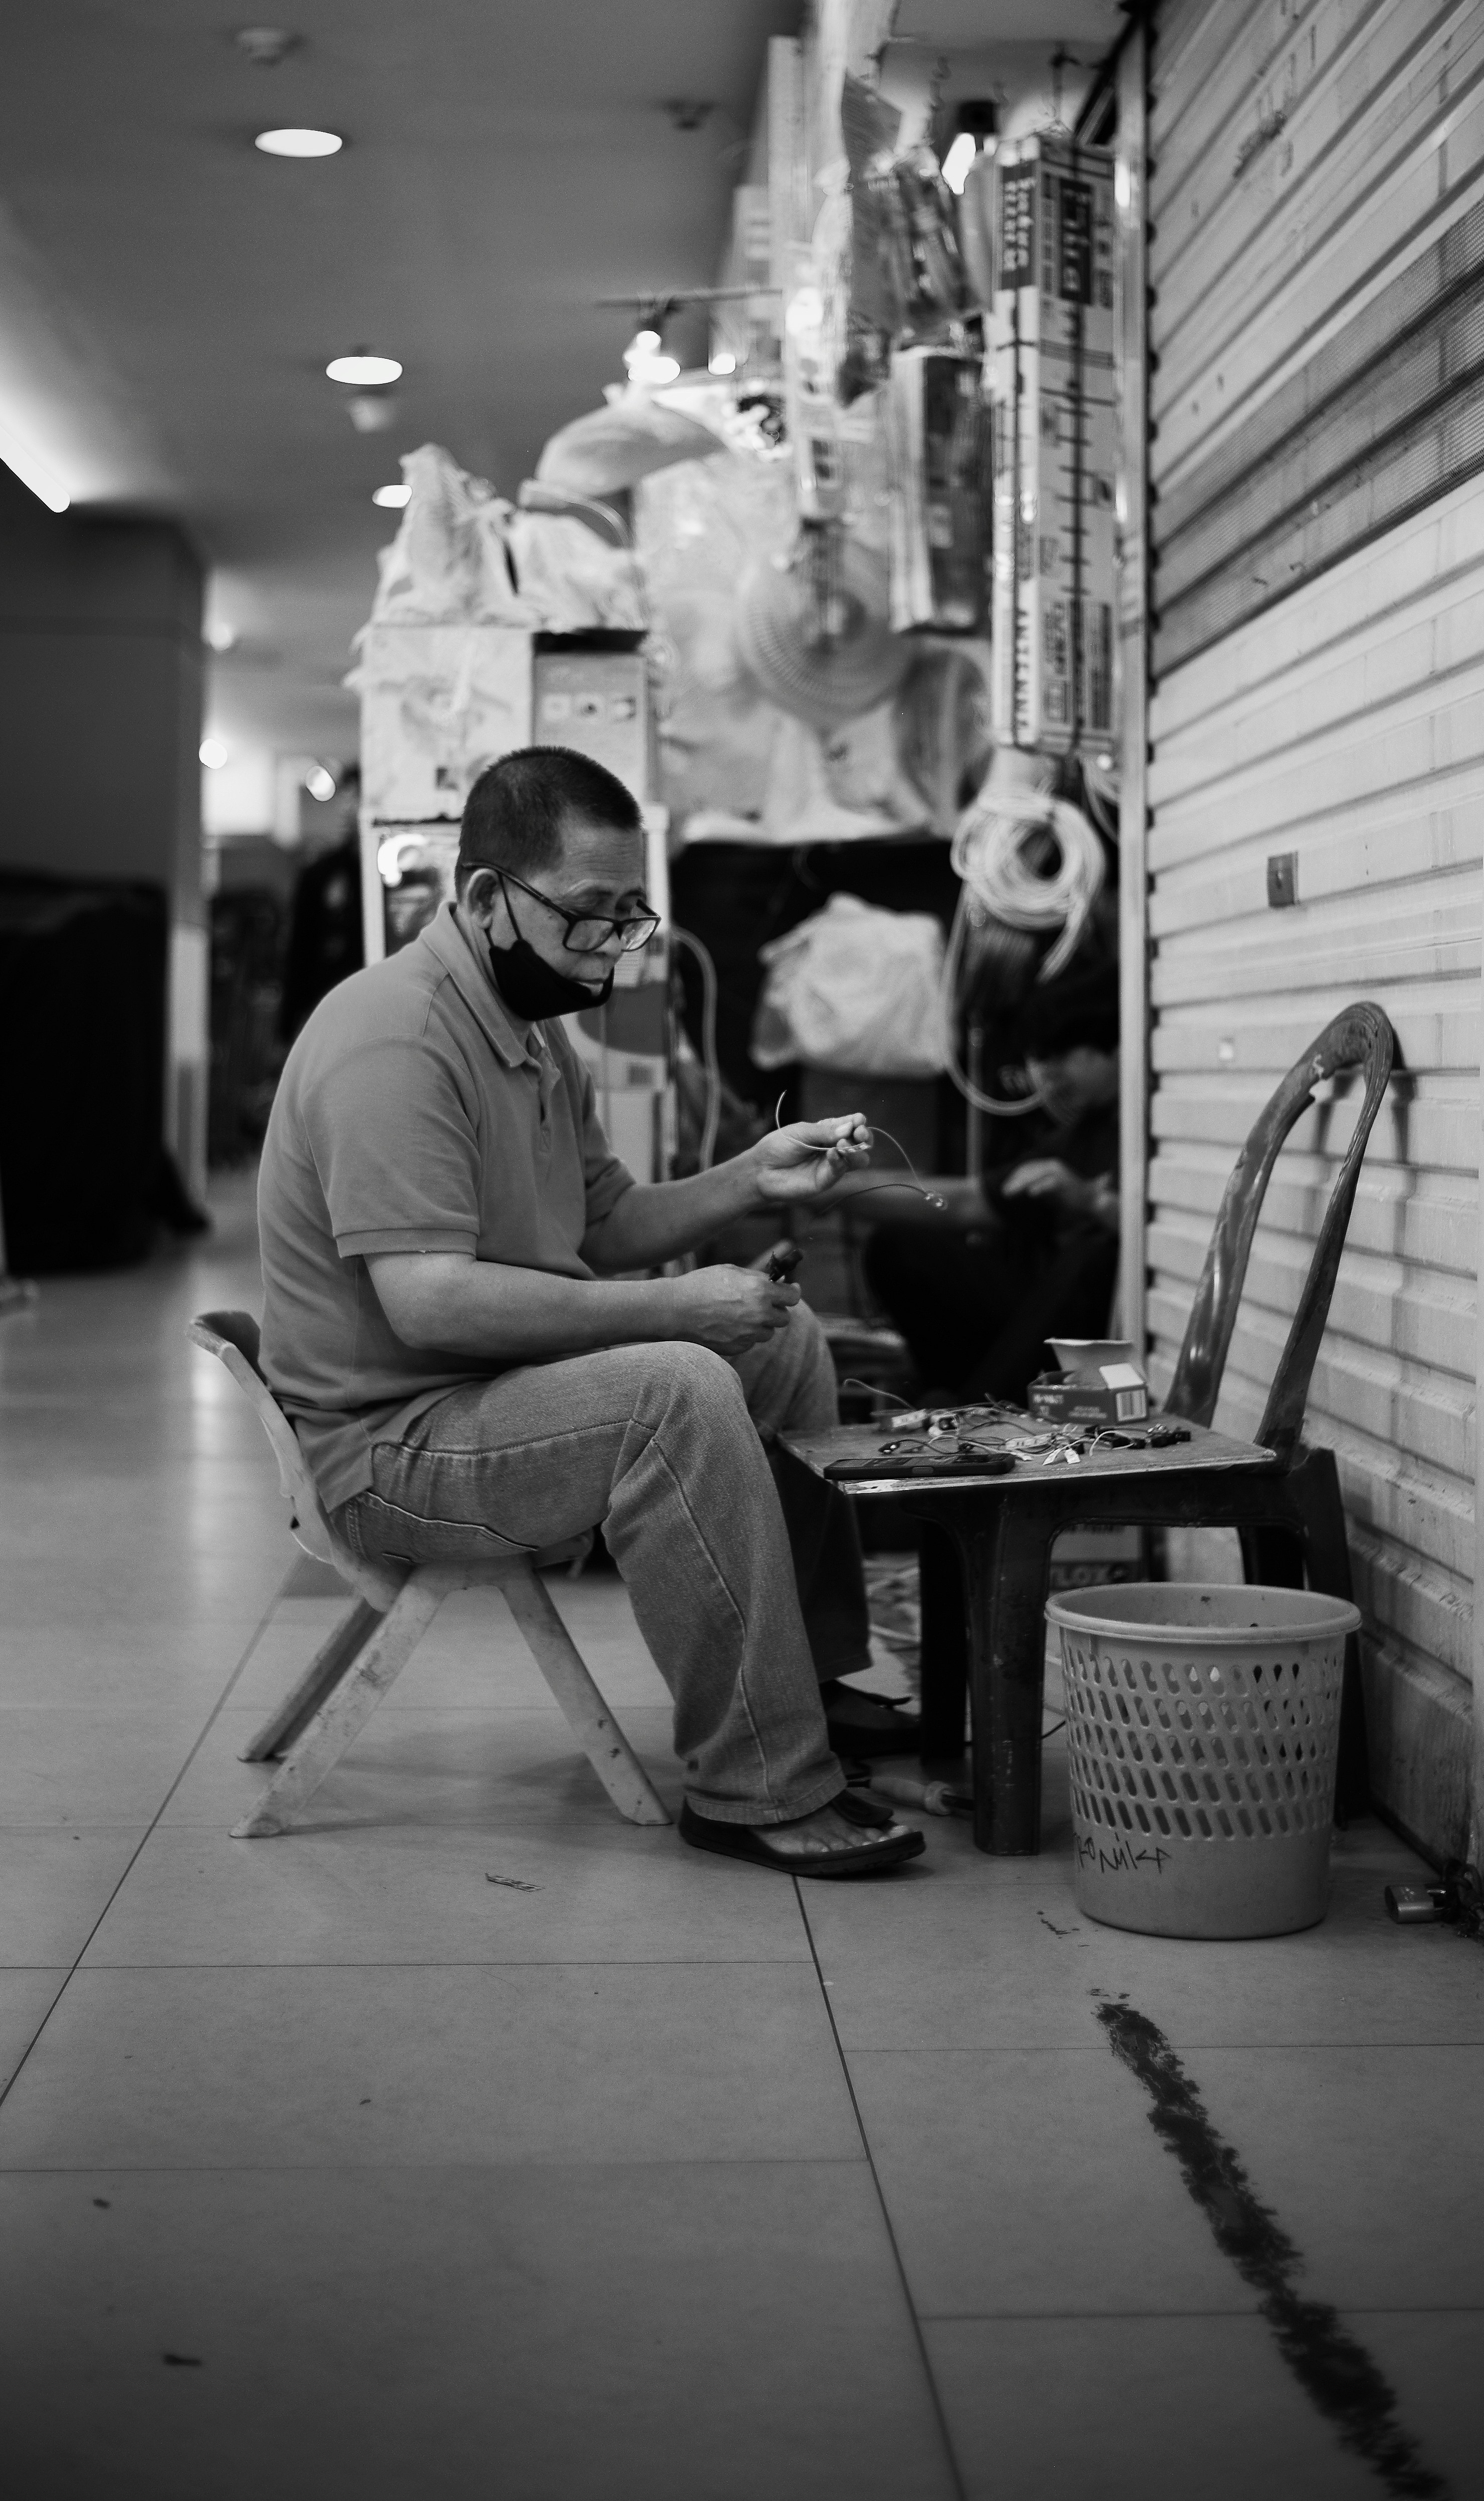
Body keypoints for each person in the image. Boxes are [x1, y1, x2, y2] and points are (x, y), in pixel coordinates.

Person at [258, 743, 924, 1879]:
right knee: (679, 1388)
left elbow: (602, 1221)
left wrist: (755, 1175)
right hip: (391, 1446)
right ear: (480, 898)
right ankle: (755, 1781)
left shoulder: (525, 1029)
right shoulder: (395, 1041)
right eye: (587, 916)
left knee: (783, 1340)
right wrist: (668, 1316)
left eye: (630, 915)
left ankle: (803, 1679)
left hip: (476, 1400)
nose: (612, 947)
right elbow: (426, 1302)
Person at [862, 965, 1121, 1406]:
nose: (1047, 1076)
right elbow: (967, 1202)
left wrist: (1094, 1202)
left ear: (1114, 1044)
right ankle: (953, 1392)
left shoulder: (1159, 1116)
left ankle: (974, 1409)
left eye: (1060, 1056)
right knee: (899, 1247)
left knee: (1092, 1255)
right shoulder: (1084, 1133)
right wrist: (833, 1190)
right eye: (1040, 1060)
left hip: (1100, 1333)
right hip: (1041, 1318)